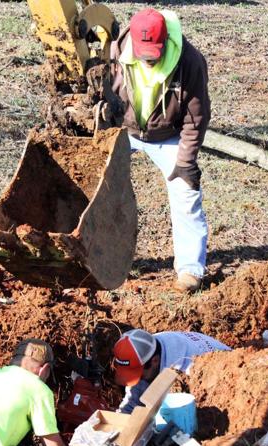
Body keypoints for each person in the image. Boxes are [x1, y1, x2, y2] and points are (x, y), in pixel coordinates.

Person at [111, 8, 211, 293]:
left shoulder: (189, 62)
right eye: (143, 53)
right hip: (123, 130)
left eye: (153, 53)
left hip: (169, 135)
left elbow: (196, 119)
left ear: (166, 41)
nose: (148, 59)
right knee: (97, 188)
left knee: (186, 190)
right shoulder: (116, 51)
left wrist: (185, 161)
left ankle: (190, 270)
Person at [113, 329, 229, 414]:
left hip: (224, 373)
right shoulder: (147, 348)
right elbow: (132, 400)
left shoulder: (187, 368)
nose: (138, 380)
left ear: (155, 361)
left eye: (139, 374)